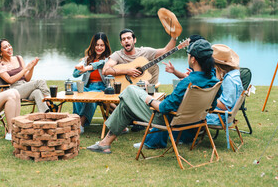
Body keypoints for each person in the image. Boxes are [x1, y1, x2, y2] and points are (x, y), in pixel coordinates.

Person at [87, 39, 222, 154]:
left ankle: (105, 141)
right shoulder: (215, 83)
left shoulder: (188, 82)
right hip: (193, 120)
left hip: (167, 119)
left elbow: (164, 108)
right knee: (126, 104)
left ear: (193, 59)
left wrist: (148, 99)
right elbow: (212, 106)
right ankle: (105, 143)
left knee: (130, 91)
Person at [0, 39, 51, 113]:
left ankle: (46, 115)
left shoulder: (19, 58)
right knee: (40, 81)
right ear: (0, 52)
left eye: (9, 45)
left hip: (24, 87)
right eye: (5, 47)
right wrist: (25, 69)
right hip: (12, 90)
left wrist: (32, 67)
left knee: (37, 92)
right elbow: (9, 80)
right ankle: (50, 102)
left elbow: (27, 79)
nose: (9, 48)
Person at [102, 29, 177, 85]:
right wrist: (127, 71)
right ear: (121, 43)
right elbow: (105, 70)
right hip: (124, 87)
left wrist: (174, 37)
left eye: (129, 38)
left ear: (134, 40)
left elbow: (166, 50)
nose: (126, 41)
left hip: (143, 86)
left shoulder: (144, 52)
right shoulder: (117, 55)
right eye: (123, 39)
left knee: (154, 67)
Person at [72, 32, 112, 134]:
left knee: (92, 96)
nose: (99, 47)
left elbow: (101, 64)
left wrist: (88, 68)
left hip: (102, 88)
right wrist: (80, 69)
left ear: (106, 46)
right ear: (93, 45)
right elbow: (75, 74)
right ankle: (76, 118)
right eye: (97, 45)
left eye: (102, 45)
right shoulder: (87, 59)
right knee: (73, 87)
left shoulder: (109, 59)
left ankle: (80, 123)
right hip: (88, 86)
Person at [206, 44, 243, 126]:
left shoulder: (229, 79)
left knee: (191, 114)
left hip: (219, 117)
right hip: (222, 115)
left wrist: (208, 98)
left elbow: (225, 106)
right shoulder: (234, 74)